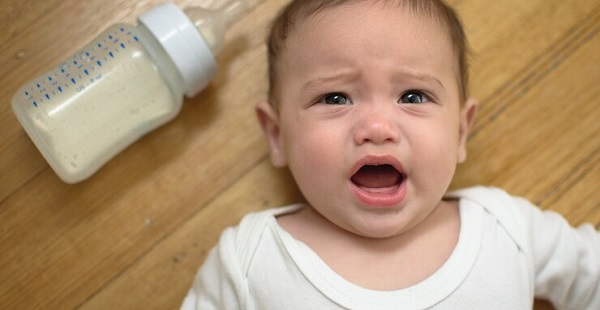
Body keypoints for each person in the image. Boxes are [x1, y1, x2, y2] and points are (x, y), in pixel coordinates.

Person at [181, 0, 600, 308]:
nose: (377, 128)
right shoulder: (252, 258)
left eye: (413, 95)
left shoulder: (505, 227)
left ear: (459, 130)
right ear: (277, 136)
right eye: (335, 97)